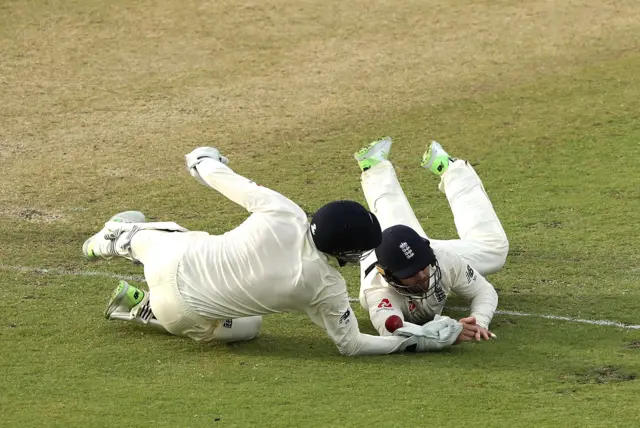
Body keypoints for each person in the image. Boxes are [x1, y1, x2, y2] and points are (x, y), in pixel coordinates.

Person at [83, 146, 466, 356]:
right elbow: (351, 344)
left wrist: (202, 161)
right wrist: (417, 340)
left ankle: (111, 239)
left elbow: (227, 181)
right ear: (347, 252)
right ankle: (141, 308)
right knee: (249, 327)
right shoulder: (326, 286)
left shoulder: (286, 213)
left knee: (177, 235)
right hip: (181, 314)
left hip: (167, 255)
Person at [355, 137, 509, 342]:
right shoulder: (379, 294)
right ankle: (376, 167)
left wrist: (479, 320)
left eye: (423, 266)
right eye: (411, 273)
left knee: (495, 250)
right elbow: (396, 333)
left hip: (407, 247)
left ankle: (450, 168)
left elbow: (484, 291)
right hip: (392, 255)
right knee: (391, 226)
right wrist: (450, 330)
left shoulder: (438, 259)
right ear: (391, 277)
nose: (421, 275)